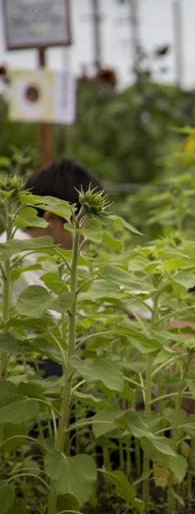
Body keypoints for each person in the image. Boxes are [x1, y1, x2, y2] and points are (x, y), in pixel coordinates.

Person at [2, 160, 107, 376]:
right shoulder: (14, 255)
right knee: (67, 348)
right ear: (51, 219)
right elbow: (52, 317)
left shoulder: (52, 254)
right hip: (21, 366)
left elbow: (104, 285)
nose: (89, 236)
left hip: (27, 360)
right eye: (84, 224)